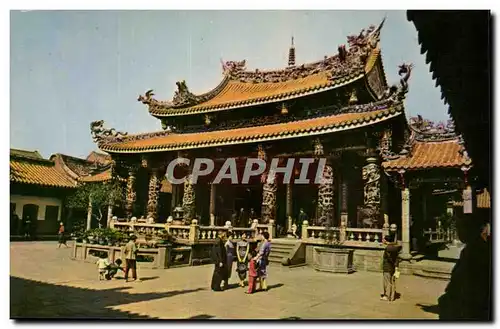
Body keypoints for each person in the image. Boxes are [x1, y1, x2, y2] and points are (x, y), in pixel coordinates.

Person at [438, 219, 491, 320]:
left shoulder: (474, 250)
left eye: (460, 228)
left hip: (474, 301)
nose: (459, 232)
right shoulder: (475, 248)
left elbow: (459, 277)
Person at [381, 234, 400, 301]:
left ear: (386, 240)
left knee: (387, 282)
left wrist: (392, 264)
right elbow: (397, 258)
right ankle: (392, 296)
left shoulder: (388, 248)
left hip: (388, 267)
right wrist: (396, 266)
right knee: (392, 281)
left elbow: (389, 258)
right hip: (393, 267)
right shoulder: (395, 247)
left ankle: (387, 296)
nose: (383, 240)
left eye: (384, 239)